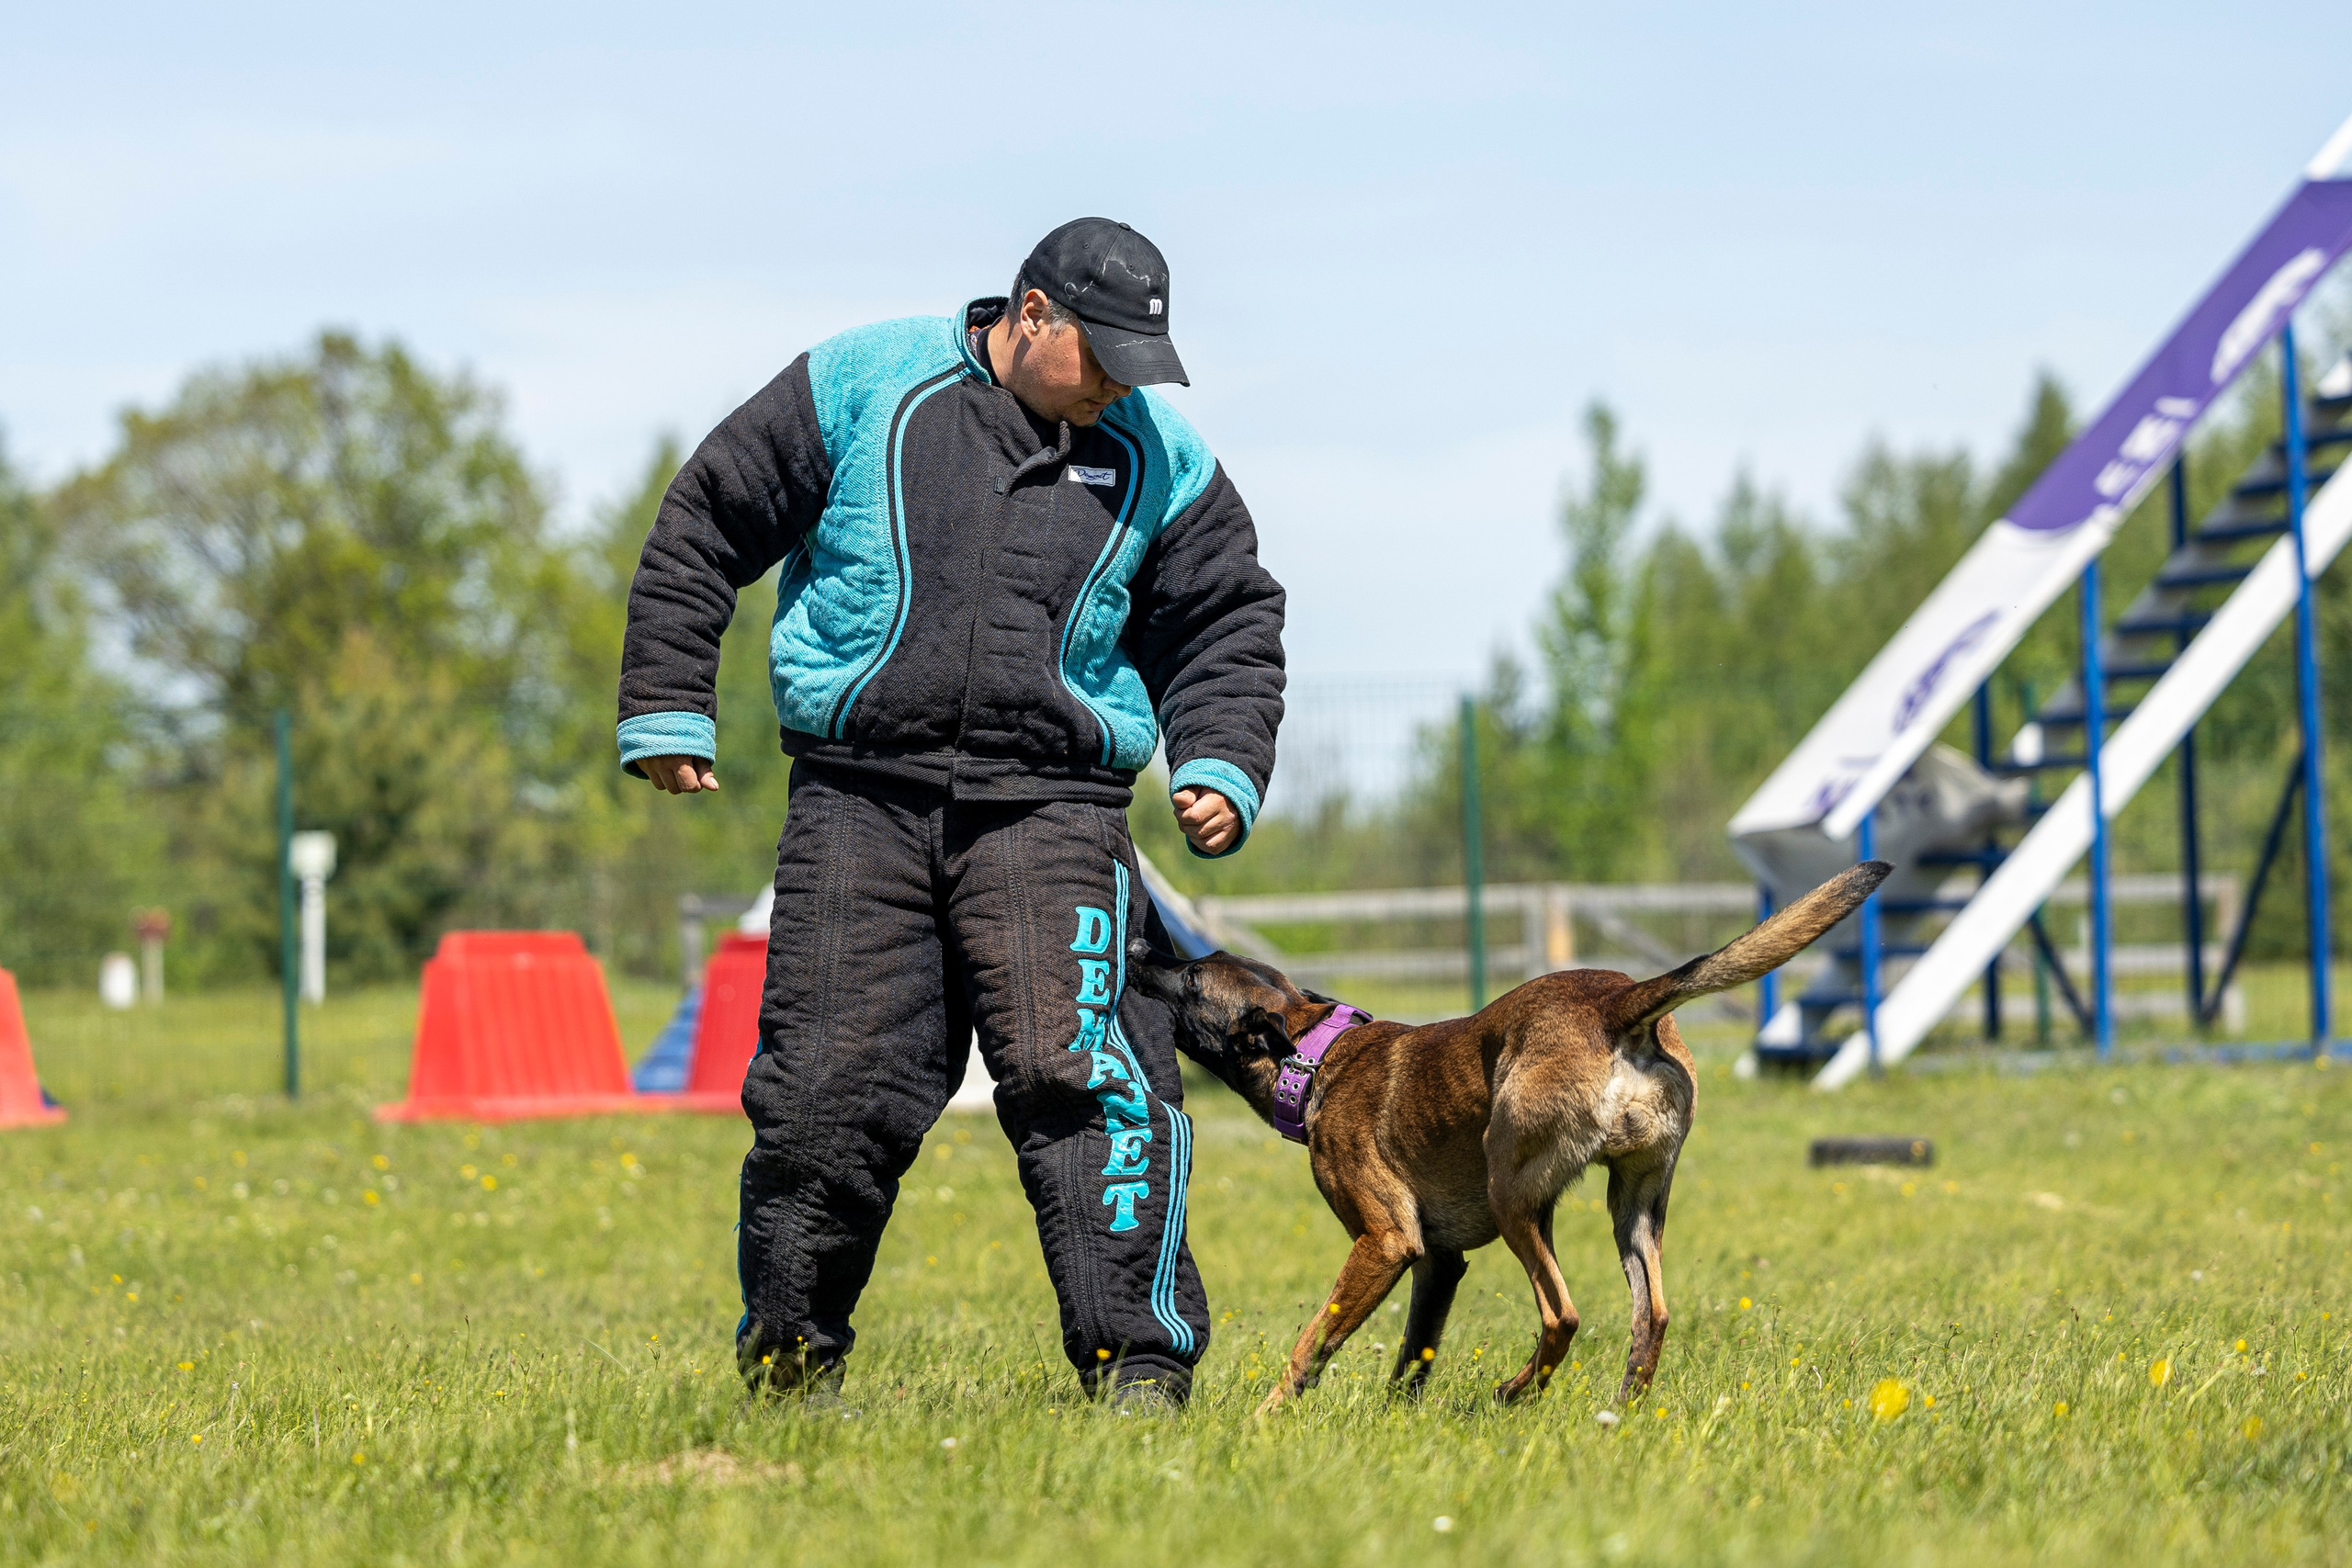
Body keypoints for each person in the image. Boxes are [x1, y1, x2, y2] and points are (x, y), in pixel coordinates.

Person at [616, 218, 1285, 1410]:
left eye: (1144, 360)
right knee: (829, 1094)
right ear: (1032, 315)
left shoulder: (1157, 456)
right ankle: (789, 1361)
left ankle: (1139, 1367)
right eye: (1106, 354)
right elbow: (707, 519)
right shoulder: (867, 385)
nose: (1122, 383)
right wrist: (669, 709)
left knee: (1089, 1082)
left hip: (1056, 811)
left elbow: (1229, 613)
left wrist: (1222, 761)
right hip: (859, 801)